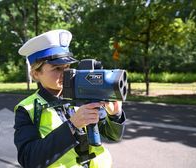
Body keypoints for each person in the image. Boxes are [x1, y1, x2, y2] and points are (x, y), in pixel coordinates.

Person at [14, 29, 126, 168]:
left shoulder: (83, 93)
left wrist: (115, 115)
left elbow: (113, 136)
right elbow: (29, 159)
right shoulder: (26, 109)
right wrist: (72, 125)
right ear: (36, 74)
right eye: (57, 69)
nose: (65, 73)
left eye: (67, 67)